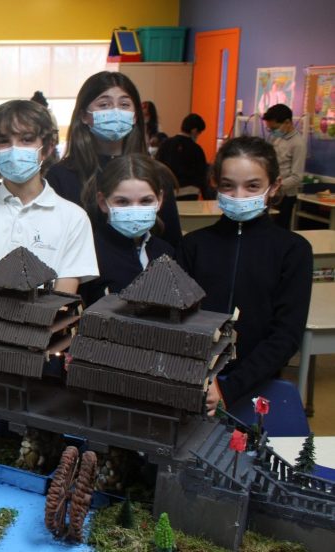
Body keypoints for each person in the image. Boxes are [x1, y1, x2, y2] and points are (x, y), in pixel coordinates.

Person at [177, 137, 312, 416]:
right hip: (192, 386)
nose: (239, 196)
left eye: (252, 186)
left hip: (257, 387)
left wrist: (230, 389)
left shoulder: (293, 250)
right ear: (215, 183)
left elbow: (286, 335)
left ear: (273, 187)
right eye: (228, 186)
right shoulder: (194, 245)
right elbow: (178, 322)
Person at [0, 99, 97, 293]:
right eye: (4, 141)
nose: (14, 149)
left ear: (46, 148)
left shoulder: (73, 218)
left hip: (45, 321)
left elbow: (64, 298)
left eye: (27, 139)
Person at [46, 72, 182, 247]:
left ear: (135, 116)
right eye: (104, 104)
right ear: (83, 115)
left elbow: (172, 242)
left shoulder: (157, 174)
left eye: (124, 104)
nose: (115, 112)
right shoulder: (61, 176)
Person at [80, 153, 174, 305]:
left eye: (146, 201)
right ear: (103, 202)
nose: (134, 210)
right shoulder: (88, 253)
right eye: (122, 202)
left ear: (159, 199)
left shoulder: (166, 252)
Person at [262, 104, 306, 228]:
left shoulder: (298, 144)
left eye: (274, 128)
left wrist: (276, 187)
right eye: (269, 129)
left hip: (285, 196)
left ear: (287, 122)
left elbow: (297, 177)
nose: (272, 132)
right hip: (270, 192)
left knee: (279, 231)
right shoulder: (276, 138)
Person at [156, 113, 212, 199]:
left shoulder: (165, 144)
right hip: (190, 192)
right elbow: (202, 175)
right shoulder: (196, 149)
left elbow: (158, 167)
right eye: (199, 133)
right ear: (194, 130)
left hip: (169, 191)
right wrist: (207, 197)